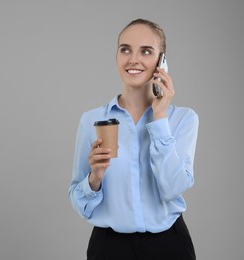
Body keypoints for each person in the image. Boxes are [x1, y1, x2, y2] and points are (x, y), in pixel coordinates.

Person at [68, 18, 198, 260]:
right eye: (125, 49)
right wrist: (93, 180)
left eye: (146, 51)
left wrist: (159, 118)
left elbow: (172, 189)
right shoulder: (91, 120)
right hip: (109, 247)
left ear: (162, 62)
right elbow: (79, 202)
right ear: (117, 56)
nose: (133, 59)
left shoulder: (182, 119)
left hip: (169, 244)